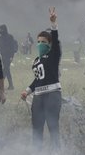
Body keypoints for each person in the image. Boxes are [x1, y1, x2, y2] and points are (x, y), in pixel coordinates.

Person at [20, 8, 61, 147]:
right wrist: (27, 90)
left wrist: (53, 24)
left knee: (53, 126)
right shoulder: (37, 60)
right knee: (36, 127)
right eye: (38, 41)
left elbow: (55, 41)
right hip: (38, 96)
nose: (40, 44)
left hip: (52, 95)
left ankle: (57, 153)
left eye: (43, 41)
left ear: (49, 44)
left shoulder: (53, 55)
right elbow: (38, 79)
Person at [0, 25, 18, 90]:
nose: (0, 31)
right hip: (3, 57)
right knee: (5, 70)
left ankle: (11, 85)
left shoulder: (10, 37)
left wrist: (11, 56)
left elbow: (12, 47)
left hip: (8, 57)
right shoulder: (0, 38)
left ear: (5, 29)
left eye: (1, 29)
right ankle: (0, 84)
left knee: (6, 70)